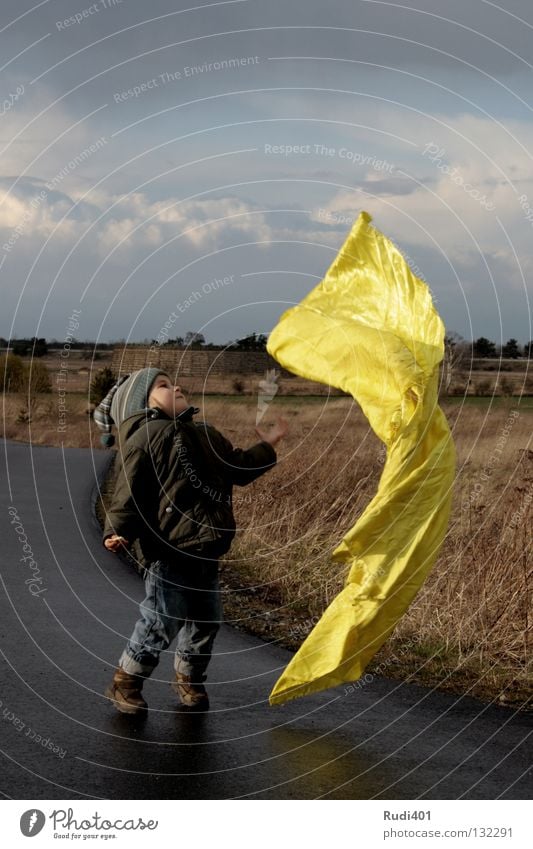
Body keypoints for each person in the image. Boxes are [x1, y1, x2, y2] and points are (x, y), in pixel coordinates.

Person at [94, 367, 288, 714]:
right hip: (168, 548)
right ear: (141, 404)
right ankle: (126, 681)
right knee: (161, 619)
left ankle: (189, 678)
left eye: (174, 381)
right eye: (164, 386)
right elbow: (128, 493)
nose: (177, 386)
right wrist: (117, 529)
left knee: (206, 620)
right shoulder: (145, 438)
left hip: (206, 549)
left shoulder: (206, 435)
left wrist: (267, 447)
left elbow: (237, 467)